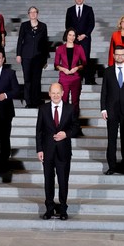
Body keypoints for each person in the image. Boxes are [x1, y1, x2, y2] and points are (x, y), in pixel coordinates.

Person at [36, 83, 79, 220]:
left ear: (62, 93)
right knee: (48, 180)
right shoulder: (43, 109)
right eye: (52, 93)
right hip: (47, 151)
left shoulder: (70, 108)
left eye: (57, 93)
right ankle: (49, 208)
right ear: (49, 94)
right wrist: (39, 149)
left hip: (63, 151)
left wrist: (66, 134)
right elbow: (39, 131)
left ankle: (63, 209)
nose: (55, 95)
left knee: (63, 180)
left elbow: (76, 127)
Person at [100, 45, 124, 175]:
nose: (119, 56)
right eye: (117, 54)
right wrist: (103, 109)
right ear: (113, 55)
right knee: (111, 139)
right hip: (111, 110)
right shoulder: (107, 71)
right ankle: (112, 166)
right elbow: (104, 91)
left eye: (122, 54)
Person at [16, 6, 49, 108]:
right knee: (27, 80)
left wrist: (45, 59)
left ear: (37, 14)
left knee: (36, 79)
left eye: (35, 12)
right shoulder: (24, 25)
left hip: (38, 57)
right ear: (28, 14)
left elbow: (45, 43)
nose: (33, 14)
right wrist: (18, 54)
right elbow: (20, 40)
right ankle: (28, 101)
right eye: (31, 12)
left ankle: (36, 101)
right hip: (26, 56)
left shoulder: (43, 26)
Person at [65, 0, 96, 84]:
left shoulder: (89, 9)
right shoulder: (70, 10)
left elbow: (91, 24)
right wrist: (73, 36)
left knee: (85, 58)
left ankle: (87, 79)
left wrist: (84, 34)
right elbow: (67, 25)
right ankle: (76, 78)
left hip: (85, 39)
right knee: (74, 59)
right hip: (73, 39)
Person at [54, 28, 87, 116]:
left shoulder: (79, 48)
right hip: (64, 78)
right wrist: (63, 69)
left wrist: (76, 68)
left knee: (75, 101)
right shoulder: (60, 49)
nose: (71, 37)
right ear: (66, 35)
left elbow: (84, 63)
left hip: (76, 78)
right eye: (70, 35)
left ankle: (75, 122)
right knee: (64, 100)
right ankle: (64, 121)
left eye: (73, 35)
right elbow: (56, 64)